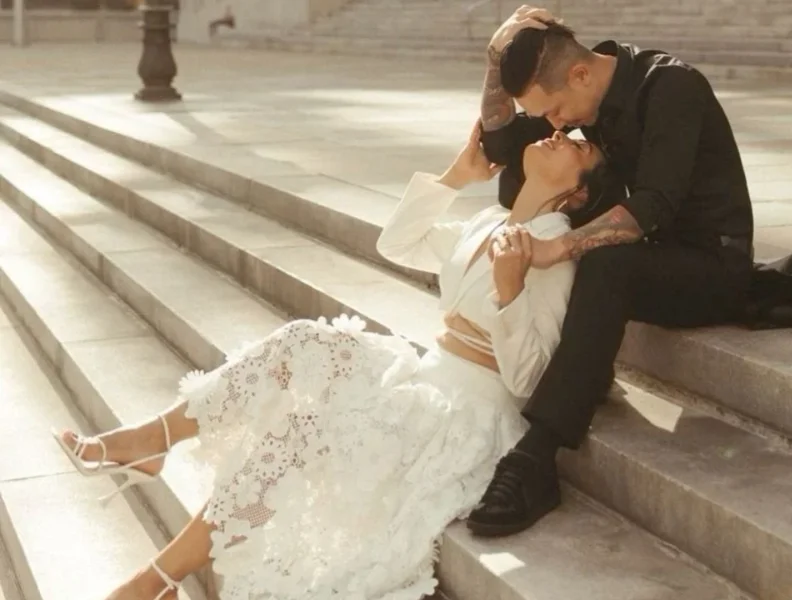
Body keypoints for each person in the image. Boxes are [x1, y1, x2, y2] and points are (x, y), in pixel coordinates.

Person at [50, 121, 612, 599]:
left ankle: (151, 582)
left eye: (580, 145)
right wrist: (455, 178)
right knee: (304, 341)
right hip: (420, 376)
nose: (561, 134)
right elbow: (398, 244)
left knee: (302, 432)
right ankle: (152, 439)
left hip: (463, 416)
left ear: (578, 194)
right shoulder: (486, 223)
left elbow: (530, 378)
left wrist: (512, 291)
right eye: (564, 131)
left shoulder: (556, 255)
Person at [466, 6, 758, 537]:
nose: (554, 123)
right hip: (653, 254)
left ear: (579, 73)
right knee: (537, 185)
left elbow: (653, 205)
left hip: (712, 265)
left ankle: (537, 456)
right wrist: (495, 59)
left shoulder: (672, 86)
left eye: (553, 110)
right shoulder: (581, 93)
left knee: (601, 256)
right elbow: (502, 148)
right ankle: (583, 369)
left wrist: (561, 249)